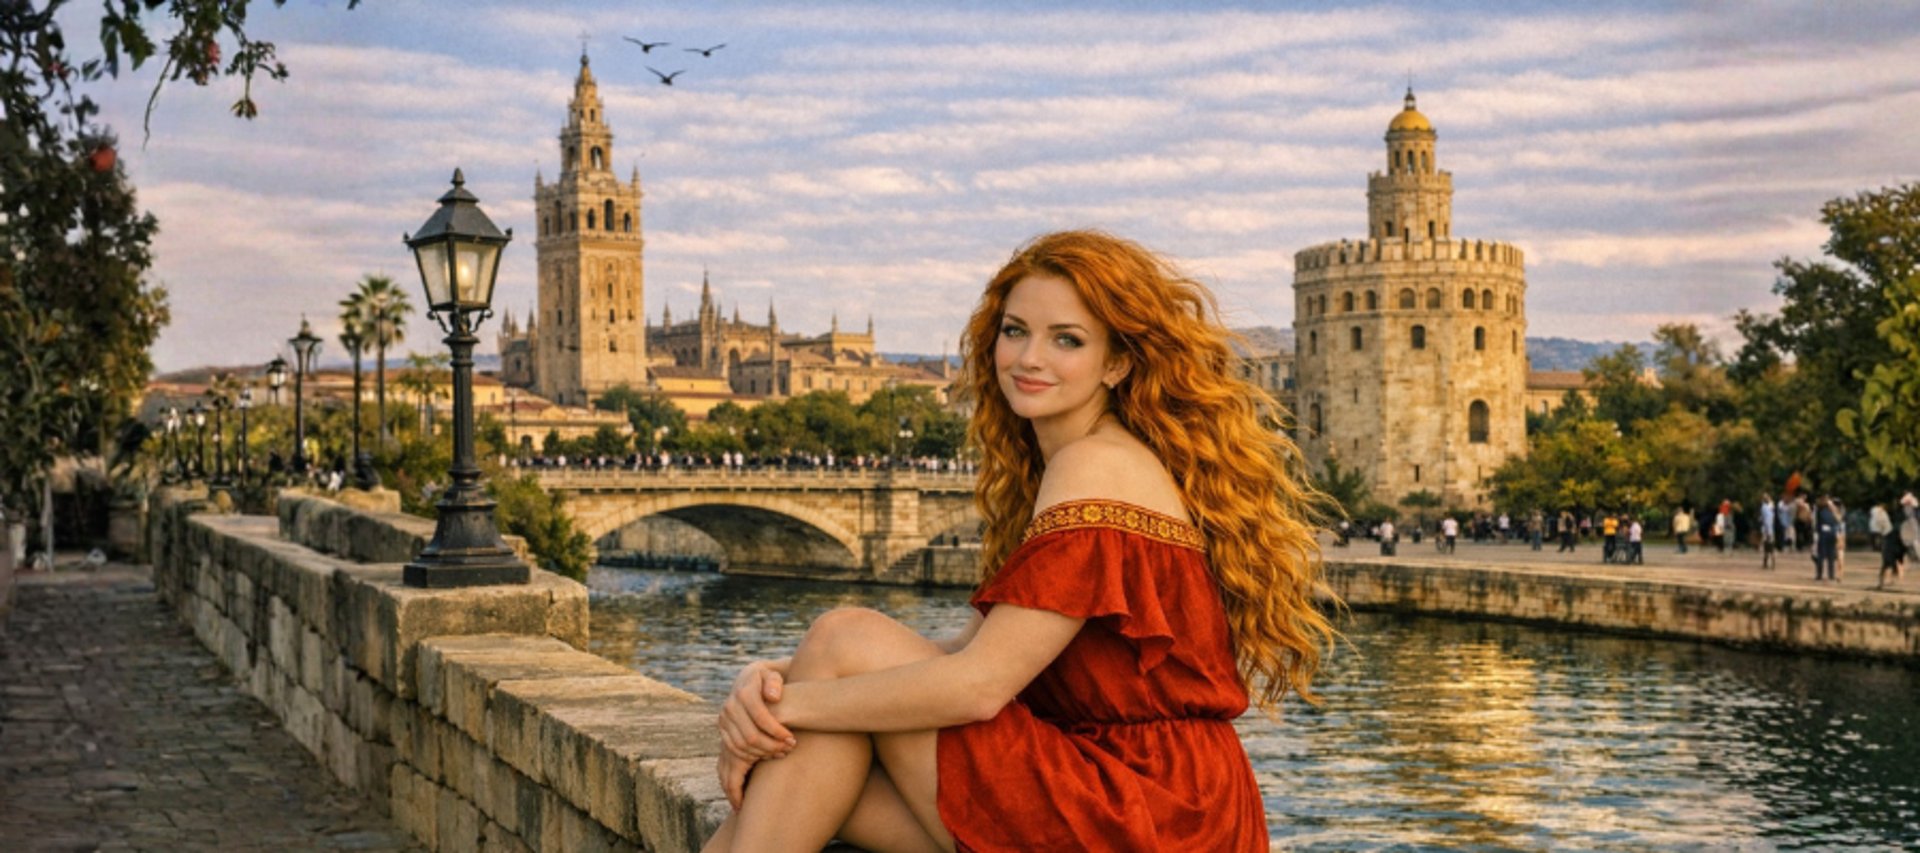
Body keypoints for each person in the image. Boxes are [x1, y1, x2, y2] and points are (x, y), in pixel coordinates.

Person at [701, 231, 1331, 851]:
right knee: (817, 751)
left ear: (1117, 362)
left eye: (1067, 340)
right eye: (1015, 331)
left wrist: (776, 714)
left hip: (1140, 808)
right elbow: (968, 652)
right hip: (1167, 801)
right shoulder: (1090, 461)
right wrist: (775, 682)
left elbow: (976, 686)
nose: (1030, 358)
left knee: (843, 642)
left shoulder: (1094, 467)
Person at [1813, 495, 1840, 583]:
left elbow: (1837, 520)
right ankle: (1825, 574)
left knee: (1829, 555)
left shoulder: (1830, 510)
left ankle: (1826, 575)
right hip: (1825, 533)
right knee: (1825, 555)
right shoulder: (1820, 510)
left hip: (1828, 533)